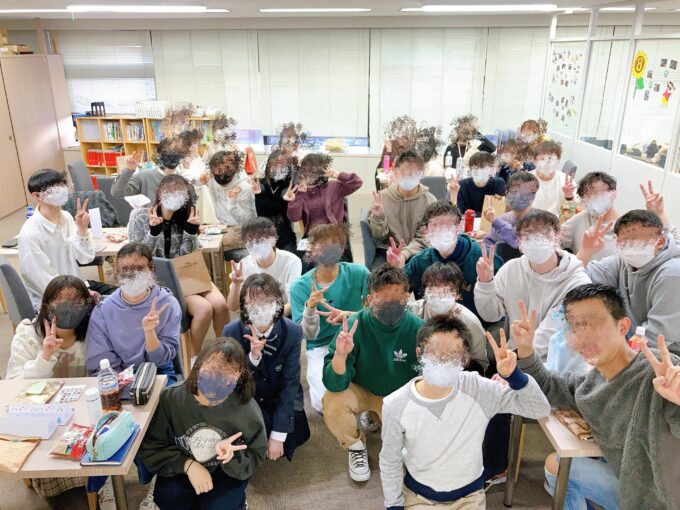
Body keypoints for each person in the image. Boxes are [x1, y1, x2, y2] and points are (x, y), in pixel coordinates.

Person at [514, 283, 680, 510]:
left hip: (669, 499)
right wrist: (526, 350)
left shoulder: (660, 373)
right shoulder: (589, 386)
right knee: (558, 465)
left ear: (623, 326)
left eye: (594, 324)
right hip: (634, 493)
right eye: (575, 327)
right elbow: (549, 384)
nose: (583, 336)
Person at [380, 315, 550, 509]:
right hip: (418, 497)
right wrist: (394, 505)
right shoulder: (396, 404)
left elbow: (539, 408)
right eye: (435, 350)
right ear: (419, 353)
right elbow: (390, 461)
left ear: (465, 359)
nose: (443, 359)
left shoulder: (478, 389)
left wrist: (514, 376)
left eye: (453, 353)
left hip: (469, 497)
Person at [322, 265, 424, 482]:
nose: (391, 306)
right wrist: (340, 355)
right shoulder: (354, 326)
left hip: (400, 396)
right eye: (383, 300)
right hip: (364, 390)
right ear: (369, 299)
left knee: (410, 450)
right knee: (332, 400)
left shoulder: (419, 328)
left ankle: (378, 418)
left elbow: (429, 380)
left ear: (407, 297)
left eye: (397, 300)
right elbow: (334, 384)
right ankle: (355, 446)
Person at [140, 337, 267, 510]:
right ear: (198, 365)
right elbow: (153, 446)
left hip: (224, 471)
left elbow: (256, 453)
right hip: (182, 465)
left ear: (239, 377)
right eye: (213, 369)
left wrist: (231, 456)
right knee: (169, 498)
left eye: (228, 375)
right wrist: (188, 465)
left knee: (219, 506)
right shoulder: (171, 399)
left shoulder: (247, 409)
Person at [128, 174, 230, 355]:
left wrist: (191, 231)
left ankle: (224, 352)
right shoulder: (140, 216)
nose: (174, 195)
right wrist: (153, 232)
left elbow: (190, 257)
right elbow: (136, 258)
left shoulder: (186, 214)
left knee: (221, 304)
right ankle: (193, 356)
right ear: (159, 192)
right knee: (204, 309)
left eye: (179, 192)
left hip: (188, 274)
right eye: (169, 191)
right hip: (161, 280)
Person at [475, 209, 591, 360]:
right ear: (519, 241)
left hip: (555, 363)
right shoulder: (511, 269)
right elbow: (490, 315)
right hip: (514, 355)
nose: (536, 240)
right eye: (528, 235)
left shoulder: (577, 283)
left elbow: (548, 337)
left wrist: (512, 362)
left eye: (543, 234)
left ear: (557, 236)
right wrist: (485, 283)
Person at [223, 274, 310, 462]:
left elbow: (290, 383)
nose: (259, 307)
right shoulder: (231, 331)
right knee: (250, 429)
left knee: (294, 428)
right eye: (252, 302)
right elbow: (234, 382)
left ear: (278, 303)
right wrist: (253, 358)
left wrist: (278, 435)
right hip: (248, 396)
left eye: (266, 301)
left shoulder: (292, 331)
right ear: (244, 305)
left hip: (280, 393)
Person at [289, 224, 370, 412]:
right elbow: (307, 335)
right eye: (321, 246)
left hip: (356, 338)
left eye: (332, 245)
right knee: (322, 403)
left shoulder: (359, 273)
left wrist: (350, 315)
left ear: (341, 248)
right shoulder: (300, 287)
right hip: (321, 345)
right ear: (311, 251)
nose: (327, 251)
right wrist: (310, 309)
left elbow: (377, 311)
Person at [580, 209, 680, 355]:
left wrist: (615, 354)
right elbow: (577, 277)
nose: (629, 247)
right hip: (636, 347)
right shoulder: (623, 262)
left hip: (669, 355)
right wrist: (586, 250)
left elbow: (657, 336)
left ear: (660, 242)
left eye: (636, 241)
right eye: (624, 242)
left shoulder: (672, 274)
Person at [86, 242, 181, 381]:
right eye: (125, 269)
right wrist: (121, 382)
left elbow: (162, 359)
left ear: (151, 269)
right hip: (118, 374)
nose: (132, 274)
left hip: (158, 371)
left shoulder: (167, 304)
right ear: (116, 272)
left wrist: (149, 333)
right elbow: (100, 357)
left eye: (139, 268)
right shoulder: (103, 309)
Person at [395, 201, 504, 322]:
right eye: (434, 225)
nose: (440, 230)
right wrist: (395, 269)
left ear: (459, 228)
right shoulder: (419, 261)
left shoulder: (485, 260)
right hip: (432, 327)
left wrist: (487, 282)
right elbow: (395, 291)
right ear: (426, 230)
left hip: (477, 327)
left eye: (447, 224)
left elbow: (501, 309)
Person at [18, 168, 97, 309]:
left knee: (122, 298)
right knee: (109, 310)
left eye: (62, 185)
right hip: (53, 301)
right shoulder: (30, 233)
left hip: (76, 286)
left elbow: (85, 258)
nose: (61, 190)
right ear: (37, 196)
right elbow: (44, 282)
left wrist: (82, 230)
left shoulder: (66, 217)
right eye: (54, 188)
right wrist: (81, 297)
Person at [406, 262, 488, 374]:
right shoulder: (411, 312)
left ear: (458, 294)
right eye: (433, 286)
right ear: (424, 291)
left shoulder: (470, 323)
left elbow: (480, 364)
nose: (439, 293)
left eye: (447, 288)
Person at [7, 275, 93, 380]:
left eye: (76, 302)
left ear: (87, 307)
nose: (67, 309)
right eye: (58, 301)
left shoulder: (94, 333)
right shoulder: (28, 336)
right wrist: (44, 359)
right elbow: (13, 381)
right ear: (45, 306)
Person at [367, 151, 437, 266]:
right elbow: (378, 237)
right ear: (395, 173)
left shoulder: (430, 201)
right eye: (404, 173)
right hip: (388, 253)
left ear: (422, 174)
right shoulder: (382, 198)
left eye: (413, 173)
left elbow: (425, 238)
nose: (408, 177)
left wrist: (404, 254)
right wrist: (378, 218)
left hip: (419, 254)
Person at [226, 217, 302, 317]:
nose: (256, 245)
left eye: (260, 240)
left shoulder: (291, 261)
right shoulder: (243, 265)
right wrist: (236, 284)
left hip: (283, 316)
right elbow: (232, 307)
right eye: (250, 242)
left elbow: (293, 303)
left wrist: (269, 320)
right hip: (255, 318)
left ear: (273, 240)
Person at [285, 153, 362, 238]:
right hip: (313, 237)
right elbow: (294, 218)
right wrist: (298, 196)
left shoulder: (334, 186)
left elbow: (357, 182)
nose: (309, 174)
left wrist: (338, 175)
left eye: (313, 171)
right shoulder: (301, 191)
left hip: (333, 235)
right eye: (306, 171)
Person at [561, 171, 618, 259]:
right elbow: (555, 238)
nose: (592, 200)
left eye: (595, 194)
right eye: (587, 197)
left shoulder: (624, 227)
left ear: (613, 192)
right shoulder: (582, 217)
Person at [111, 135, 188, 201]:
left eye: (178, 151)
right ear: (160, 154)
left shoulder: (184, 179)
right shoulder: (143, 176)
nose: (175, 154)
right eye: (171, 151)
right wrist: (129, 171)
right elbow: (117, 193)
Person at [253, 149, 299, 252]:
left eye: (282, 164)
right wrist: (257, 191)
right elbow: (260, 188)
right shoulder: (260, 184)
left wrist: (288, 198)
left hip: (284, 237)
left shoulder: (290, 186)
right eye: (274, 164)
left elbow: (284, 192)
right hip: (263, 236)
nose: (278, 167)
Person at [483, 171, 540, 252]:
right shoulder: (503, 218)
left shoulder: (541, 221)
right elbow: (487, 245)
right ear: (506, 193)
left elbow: (518, 244)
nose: (518, 196)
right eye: (514, 191)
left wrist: (497, 222)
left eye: (524, 193)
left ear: (533, 195)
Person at [206, 150, 257, 228]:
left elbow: (247, 221)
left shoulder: (244, 188)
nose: (220, 173)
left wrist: (233, 204)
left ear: (234, 169)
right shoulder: (212, 181)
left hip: (239, 229)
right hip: (220, 226)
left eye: (226, 169)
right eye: (217, 170)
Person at [530, 141, 575, 216]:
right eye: (542, 159)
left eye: (551, 159)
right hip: (531, 220)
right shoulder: (526, 179)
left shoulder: (566, 182)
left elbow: (572, 211)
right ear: (534, 161)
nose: (547, 163)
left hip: (556, 221)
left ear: (558, 161)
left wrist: (569, 196)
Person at [455, 152, 506, 217]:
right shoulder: (462, 184)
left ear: (491, 169)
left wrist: (472, 215)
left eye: (482, 167)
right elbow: (459, 212)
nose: (478, 171)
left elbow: (498, 211)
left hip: (489, 222)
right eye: (475, 167)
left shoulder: (498, 183)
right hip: (468, 221)